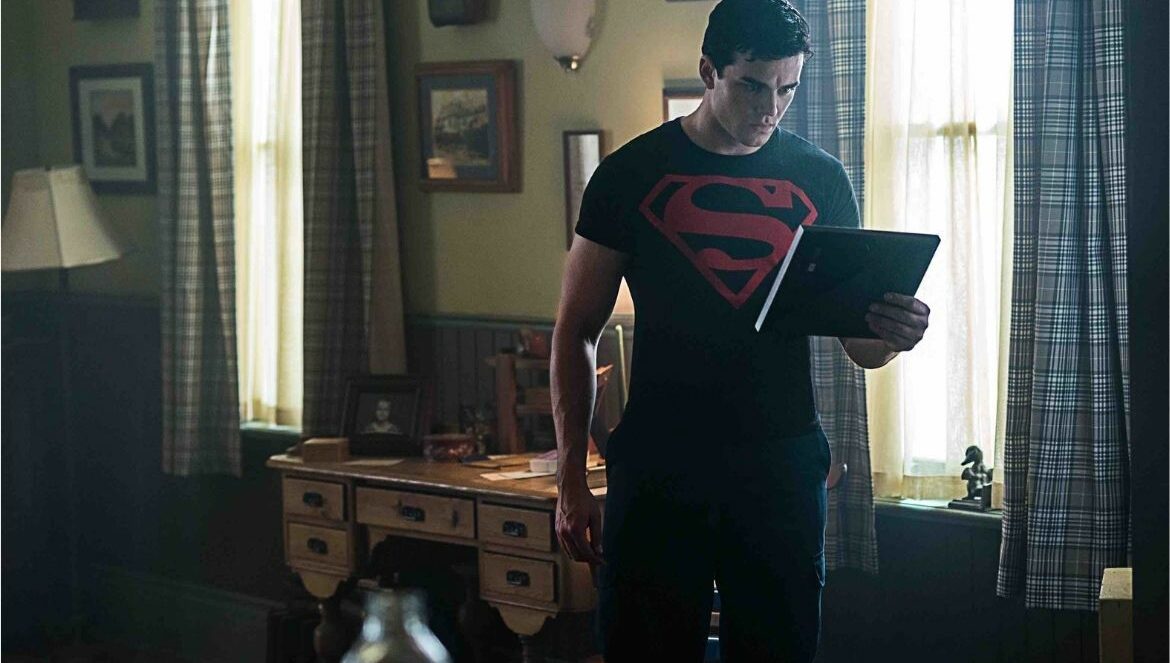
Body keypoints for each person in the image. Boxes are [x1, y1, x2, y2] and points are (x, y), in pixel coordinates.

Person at [550, 1, 932, 661]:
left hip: (780, 464)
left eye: (787, 89)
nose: (770, 109)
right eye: (753, 86)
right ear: (709, 72)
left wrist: (894, 333)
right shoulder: (629, 175)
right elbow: (576, 330)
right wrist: (570, 479)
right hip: (660, 463)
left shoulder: (820, 177)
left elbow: (862, 349)